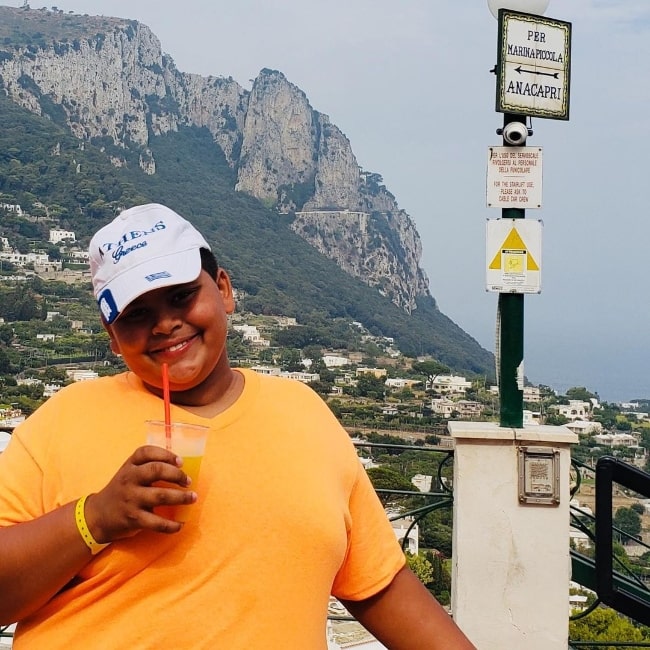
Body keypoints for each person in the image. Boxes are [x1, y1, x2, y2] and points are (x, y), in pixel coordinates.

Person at [0, 203, 476, 649]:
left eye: (182, 296)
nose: (165, 325)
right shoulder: (64, 419)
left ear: (223, 290)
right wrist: (95, 517)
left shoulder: (304, 413)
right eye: (136, 314)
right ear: (112, 337)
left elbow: (377, 584)